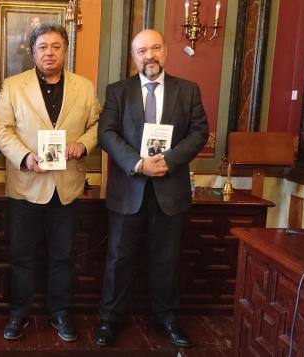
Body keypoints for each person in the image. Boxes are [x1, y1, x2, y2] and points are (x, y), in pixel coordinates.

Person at [95, 29, 208, 348]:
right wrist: (138, 163)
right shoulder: (118, 91)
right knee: (118, 259)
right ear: (134, 57)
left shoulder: (188, 91)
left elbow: (199, 132)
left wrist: (168, 160)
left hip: (170, 191)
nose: (150, 56)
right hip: (128, 189)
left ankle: (167, 319)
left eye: (155, 48)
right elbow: (106, 133)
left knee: (166, 259)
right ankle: (109, 320)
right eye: (142, 51)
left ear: (165, 51)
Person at [0, 23, 100, 342]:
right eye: (42, 47)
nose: (49, 52)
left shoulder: (84, 86)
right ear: (33, 51)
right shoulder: (13, 86)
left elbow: (96, 125)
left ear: (65, 51)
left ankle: (60, 313)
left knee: (63, 256)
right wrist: (24, 156)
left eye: (56, 46)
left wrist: (83, 145)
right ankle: (18, 314)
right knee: (21, 255)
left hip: (66, 187)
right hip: (26, 185)